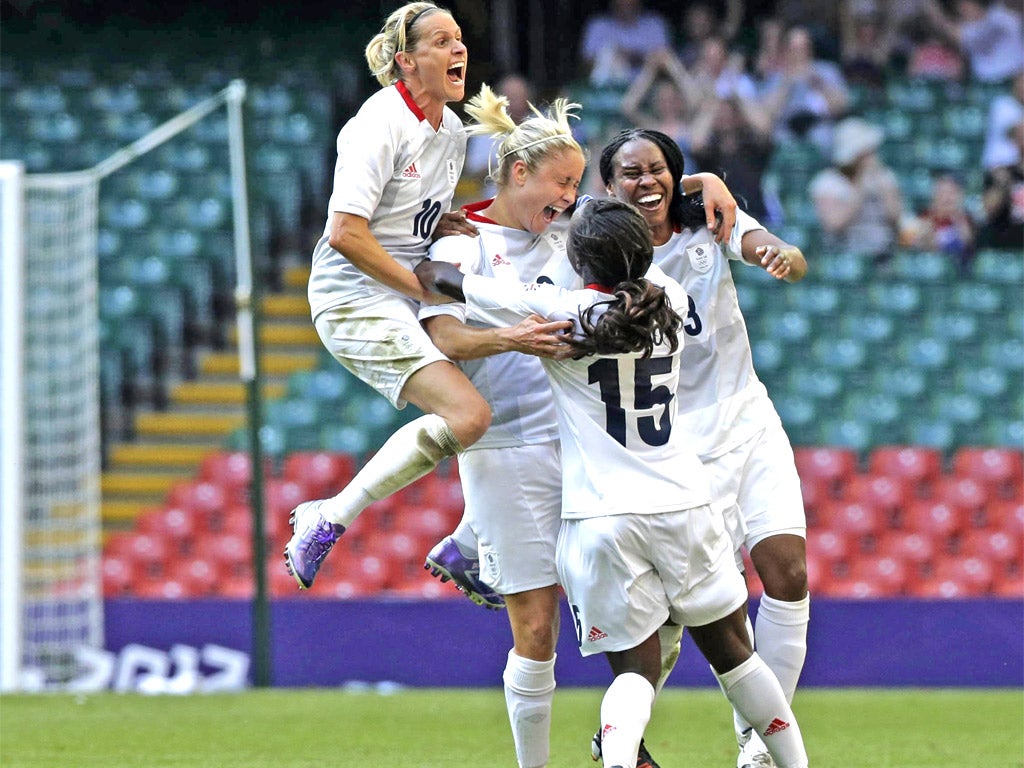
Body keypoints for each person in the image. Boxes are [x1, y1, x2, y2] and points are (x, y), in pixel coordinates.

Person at [416, 198, 810, 768]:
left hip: (599, 519)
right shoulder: (669, 298)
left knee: (635, 674)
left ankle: (619, 759)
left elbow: (439, 279)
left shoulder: (558, 310)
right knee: (738, 659)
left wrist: (460, 227)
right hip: (683, 504)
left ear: (578, 259)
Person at [281, 2, 540, 600]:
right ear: (406, 61)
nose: (459, 51)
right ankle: (329, 516)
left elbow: (409, 213)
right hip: (354, 297)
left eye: (460, 40)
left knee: (513, 380)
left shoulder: (449, 129)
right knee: (469, 415)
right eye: (442, 42)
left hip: (406, 282)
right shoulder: (377, 125)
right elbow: (346, 232)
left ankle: (471, 541)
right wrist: (416, 285)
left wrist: (440, 222)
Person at [598, 129, 809, 768]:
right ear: (607, 188)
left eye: (658, 170)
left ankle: (759, 745)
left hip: (747, 422)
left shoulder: (708, 225)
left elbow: (781, 254)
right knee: (678, 622)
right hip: (677, 449)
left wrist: (777, 252)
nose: (646, 182)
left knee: (789, 573)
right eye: (630, 174)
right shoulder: (600, 256)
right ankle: (619, 735)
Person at [420, 83, 584, 768]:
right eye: (561, 182)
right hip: (508, 449)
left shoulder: (575, 236)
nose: (571, 198)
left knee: (643, 599)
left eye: (578, 184)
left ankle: (468, 543)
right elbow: (448, 338)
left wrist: (710, 180)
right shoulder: (464, 243)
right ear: (519, 172)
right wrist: (513, 337)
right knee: (537, 628)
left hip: (580, 443)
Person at [809, 116, 904, 266]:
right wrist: (860, 186)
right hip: (844, 256)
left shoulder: (884, 177)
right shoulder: (828, 182)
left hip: (883, 255)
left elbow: (896, 217)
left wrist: (880, 183)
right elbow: (835, 224)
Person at [760, 25, 851, 153]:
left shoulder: (827, 70)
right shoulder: (776, 77)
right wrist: (786, 84)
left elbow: (842, 107)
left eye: (804, 48)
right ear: (786, 50)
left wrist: (820, 85)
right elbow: (767, 117)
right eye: (794, 49)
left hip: (820, 131)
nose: (800, 54)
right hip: (787, 135)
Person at [579, 0, 672, 88]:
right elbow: (585, 65)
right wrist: (612, 55)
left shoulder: (655, 24)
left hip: (647, 91)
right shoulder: (598, 25)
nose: (626, 2)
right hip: (606, 90)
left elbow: (666, 65)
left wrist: (634, 58)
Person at [979, 117, 1024, 249]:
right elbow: (987, 209)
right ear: (1014, 140)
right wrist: (1003, 184)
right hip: (1005, 246)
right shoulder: (1001, 173)